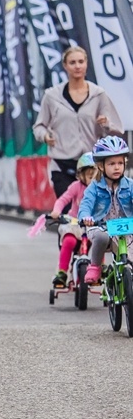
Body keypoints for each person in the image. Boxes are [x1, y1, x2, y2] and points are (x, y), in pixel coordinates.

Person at [34, 46, 123, 198]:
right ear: (65, 66)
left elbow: (117, 129)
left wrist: (105, 123)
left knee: (92, 213)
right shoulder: (51, 96)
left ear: (86, 64)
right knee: (68, 213)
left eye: (81, 61)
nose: (77, 66)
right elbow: (39, 126)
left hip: (92, 164)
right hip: (62, 162)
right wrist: (45, 136)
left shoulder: (98, 94)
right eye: (72, 62)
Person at [79, 136, 133, 284]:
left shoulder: (130, 185)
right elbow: (85, 205)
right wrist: (86, 217)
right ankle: (95, 266)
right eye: (111, 164)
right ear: (101, 166)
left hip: (127, 230)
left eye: (120, 163)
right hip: (101, 227)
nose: (117, 167)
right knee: (102, 237)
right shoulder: (94, 187)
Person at [49, 152, 96, 287]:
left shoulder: (101, 189)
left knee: (101, 240)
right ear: (81, 175)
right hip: (74, 223)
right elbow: (63, 199)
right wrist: (57, 211)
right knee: (69, 241)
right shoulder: (76, 186)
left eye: (96, 176)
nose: (93, 180)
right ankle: (62, 272)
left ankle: (99, 269)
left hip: (92, 225)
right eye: (89, 176)